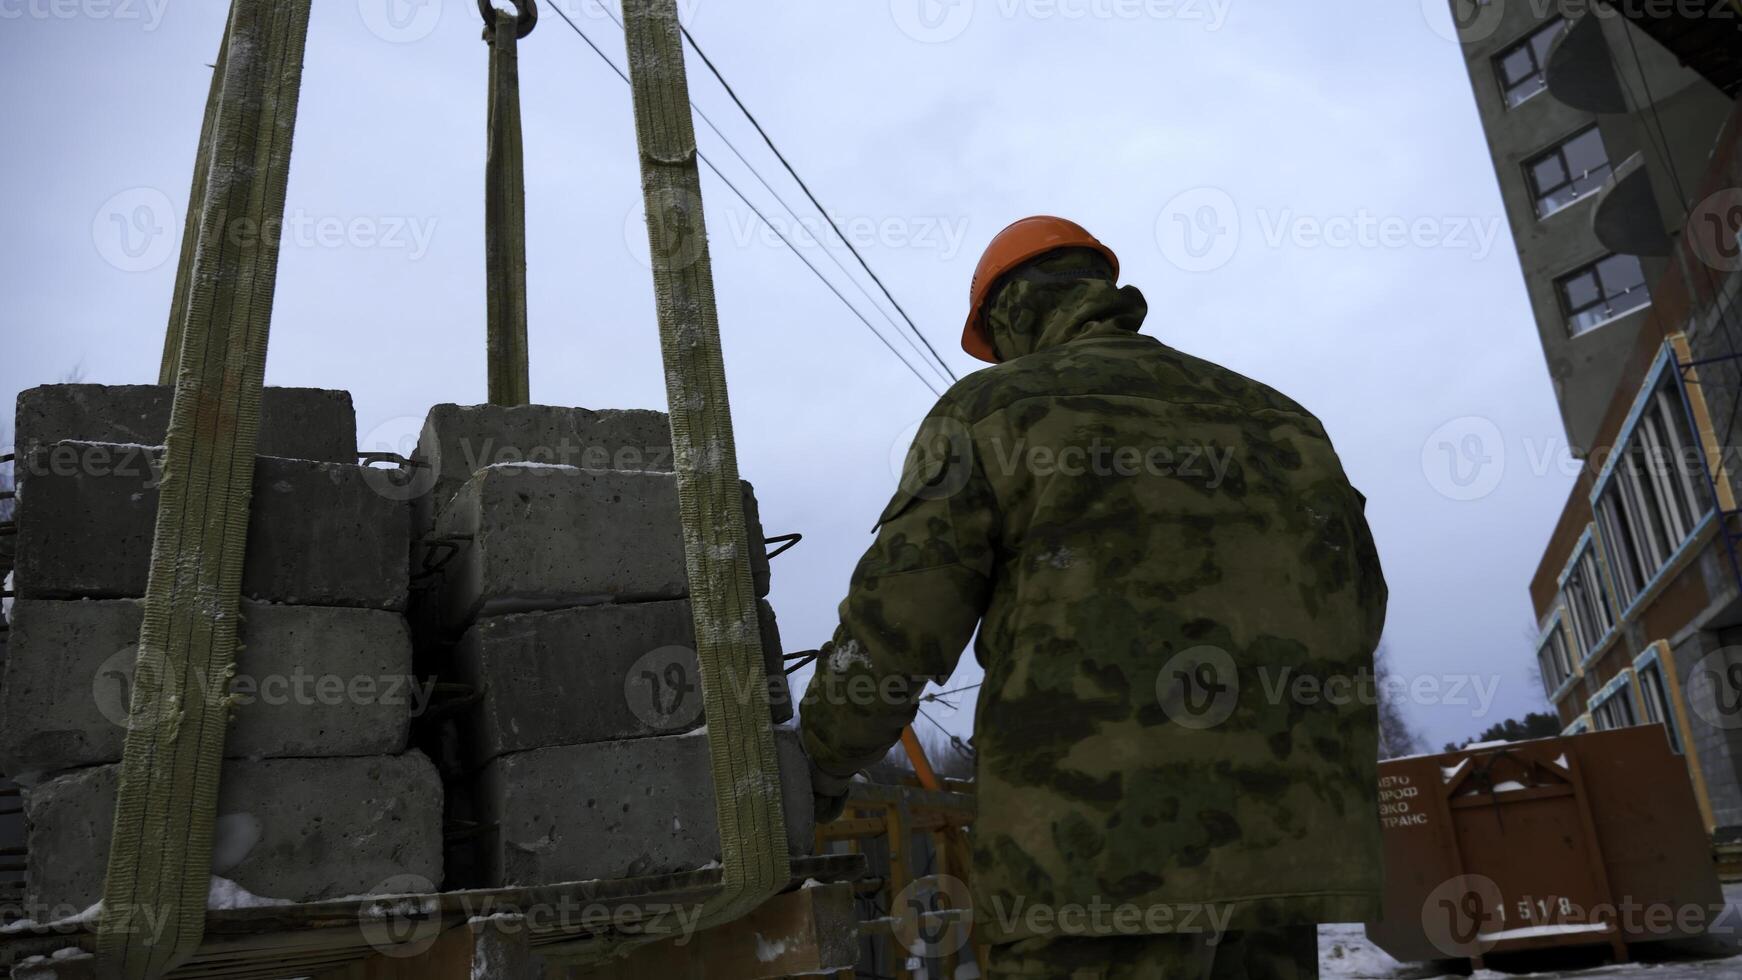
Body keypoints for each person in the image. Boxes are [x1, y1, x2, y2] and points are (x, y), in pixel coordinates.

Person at [797, 216, 1388, 979]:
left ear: (1008, 315)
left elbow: (897, 622)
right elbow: (1358, 607)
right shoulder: (1285, 422)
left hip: (1090, 865)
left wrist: (816, 760)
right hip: (1279, 861)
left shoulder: (991, 412)